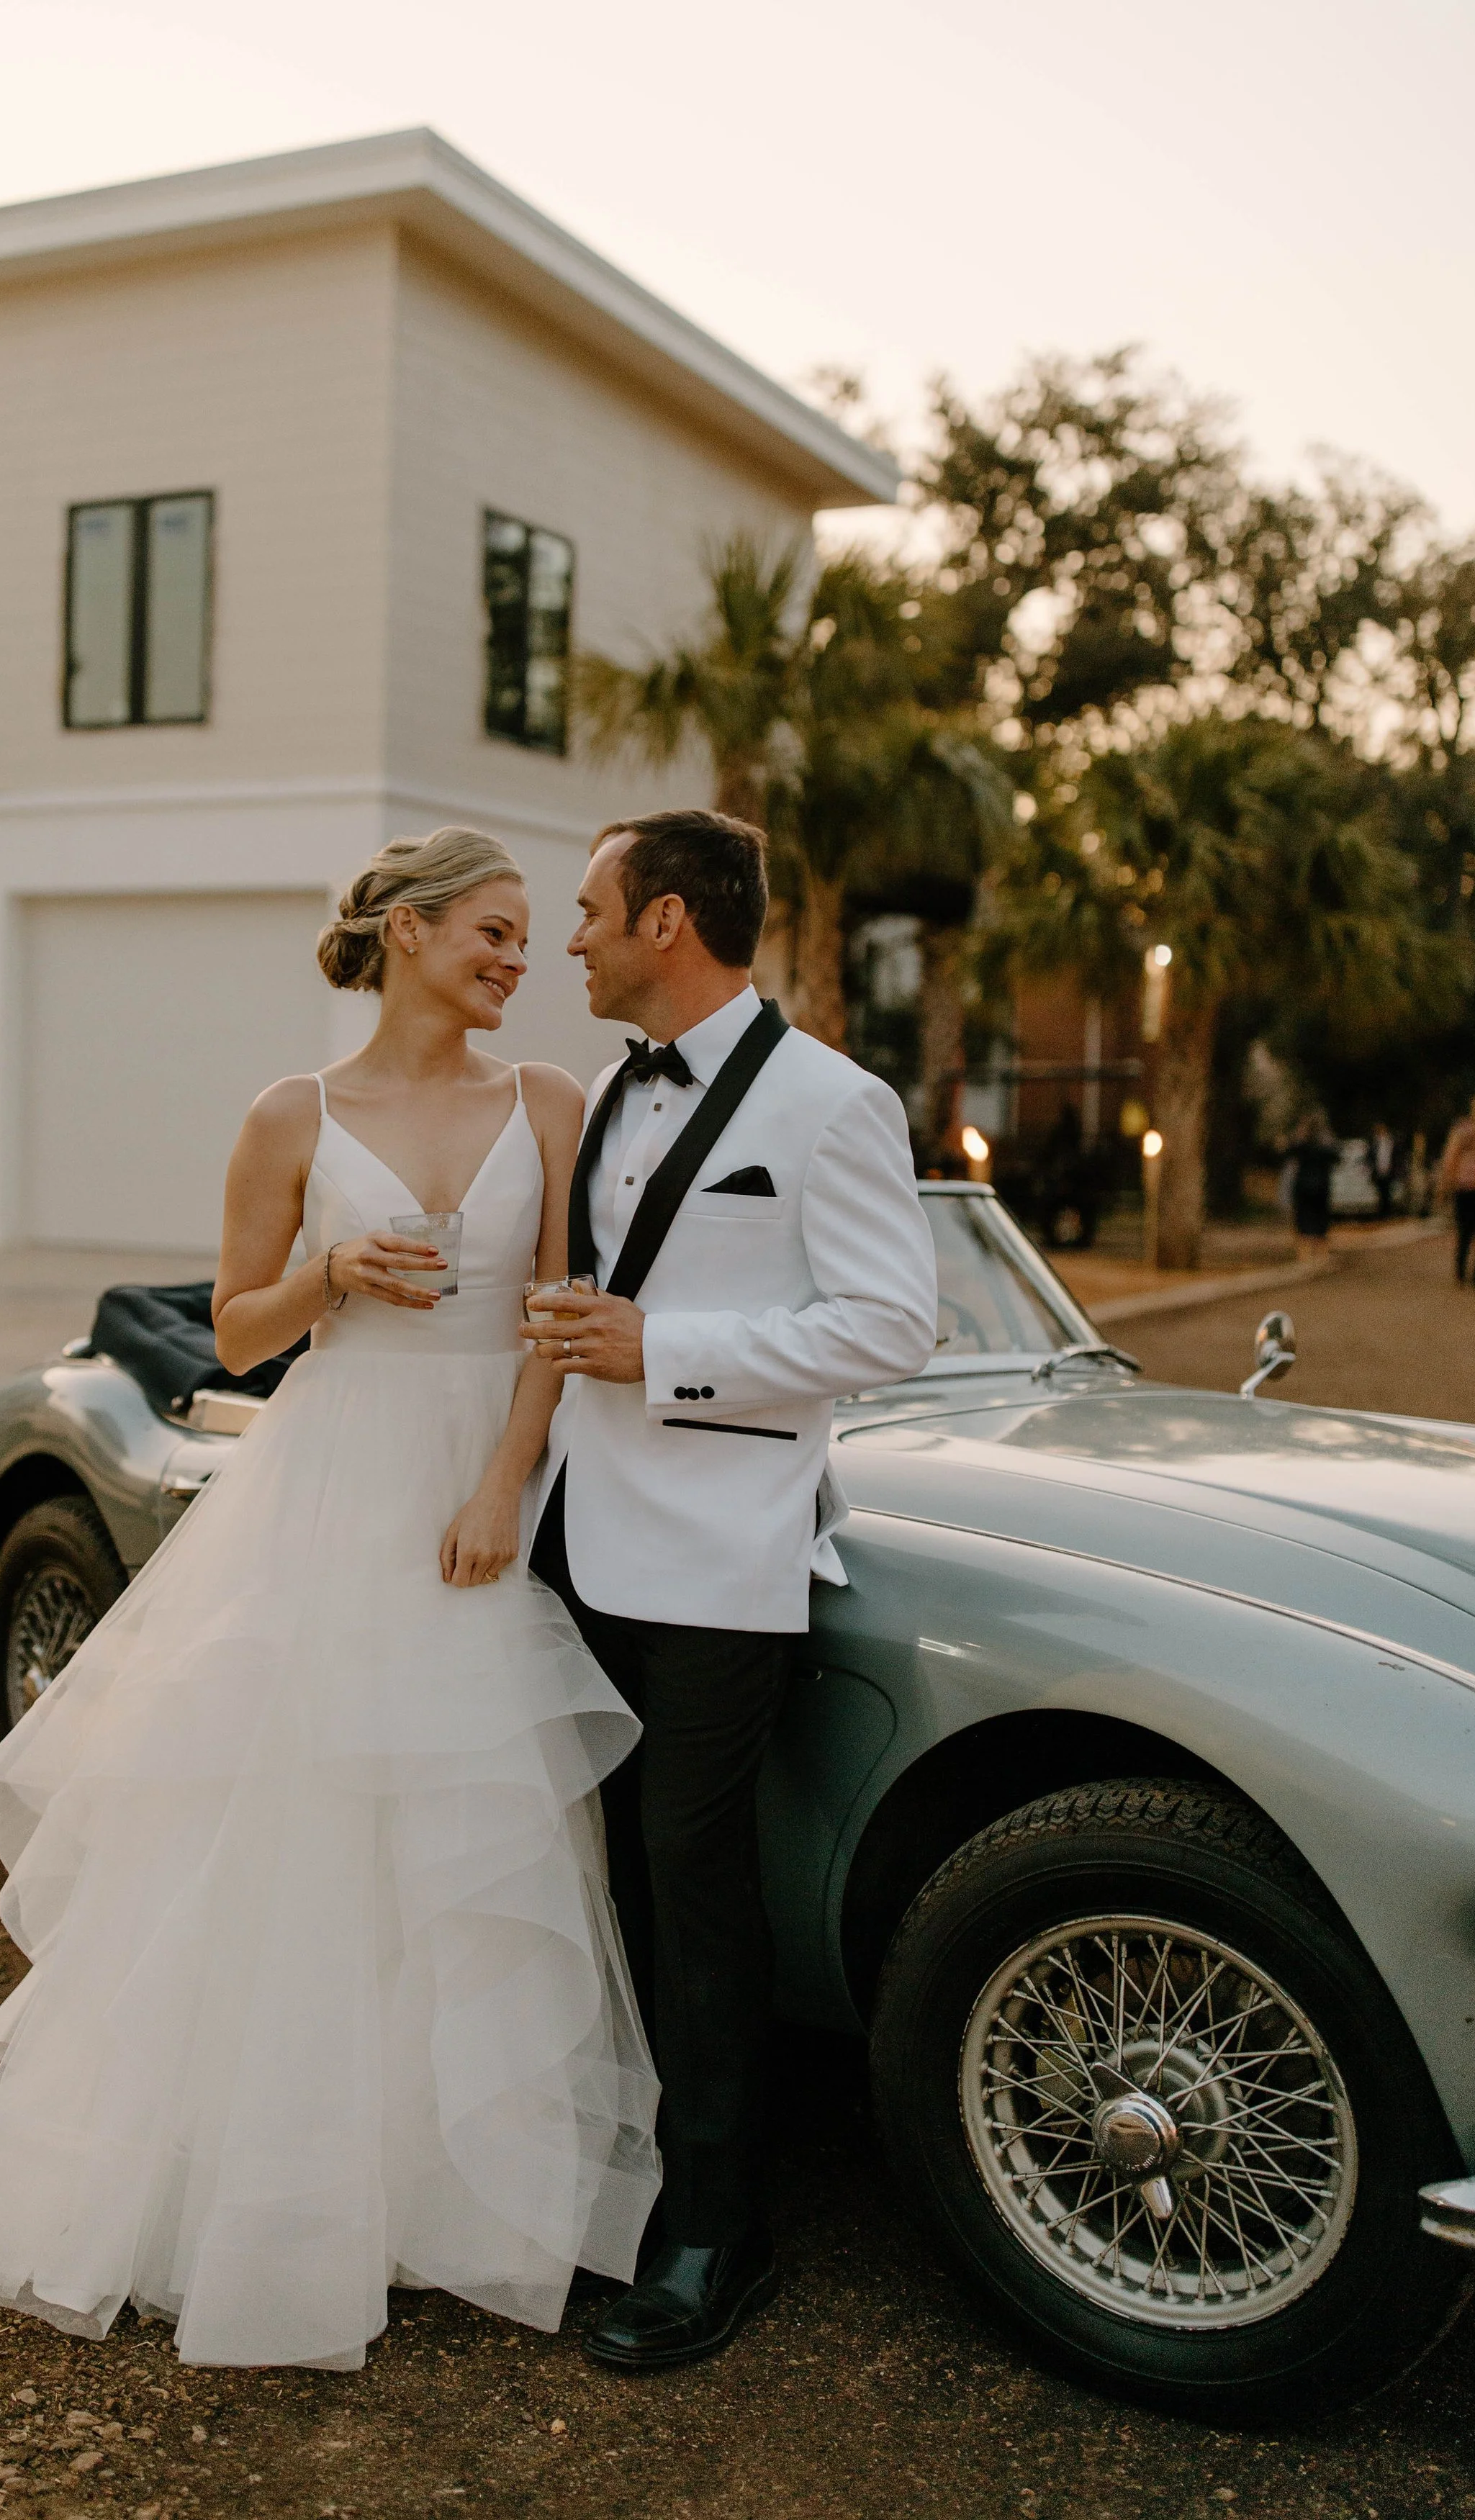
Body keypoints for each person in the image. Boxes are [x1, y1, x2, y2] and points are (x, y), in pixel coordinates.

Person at [0, 826, 661, 2369]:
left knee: (474, 1827)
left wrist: (500, 1484)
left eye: (532, 936)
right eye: (492, 929)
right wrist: (332, 1277)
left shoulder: (549, 1101)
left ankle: (460, 2203)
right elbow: (238, 1334)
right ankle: (277, 2197)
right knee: (305, 1823)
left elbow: (554, 1308)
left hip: (478, 1480)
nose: (519, 959)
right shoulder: (290, 1115)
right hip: (331, 1482)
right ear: (404, 931)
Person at [523, 808, 937, 2370]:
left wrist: (666, 1354)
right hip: (573, 1539)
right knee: (597, 1879)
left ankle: (716, 2226)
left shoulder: (832, 1102)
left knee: (692, 1889)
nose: (569, 936)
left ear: (668, 922)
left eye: (586, 910)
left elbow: (892, 1323)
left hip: (715, 1559)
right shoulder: (598, 1096)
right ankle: (624, 2178)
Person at [1438, 1088, 1475, 1288]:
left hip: (1466, 1186)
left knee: (1465, 1230)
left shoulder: (1463, 1129)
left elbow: (1451, 1157)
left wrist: (1447, 1183)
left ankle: (1461, 1272)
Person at [1284, 1113, 1340, 1263]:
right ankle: (1320, 1253)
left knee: (1304, 1219)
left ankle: (1306, 1253)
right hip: (1319, 1186)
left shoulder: (1302, 1143)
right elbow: (1336, 1157)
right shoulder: (1324, 1144)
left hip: (1305, 1186)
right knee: (1319, 1219)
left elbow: (1288, 1151)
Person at [1368, 1120, 1399, 1221]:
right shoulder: (1374, 1143)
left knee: (1388, 1193)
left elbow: (1396, 1157)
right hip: (1379, 1171)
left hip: (1389, 1171)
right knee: (1380, 1193)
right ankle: (1382, 1214)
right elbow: (1371, 1157)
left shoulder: (1392, 1142)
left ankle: (1388, 1213)